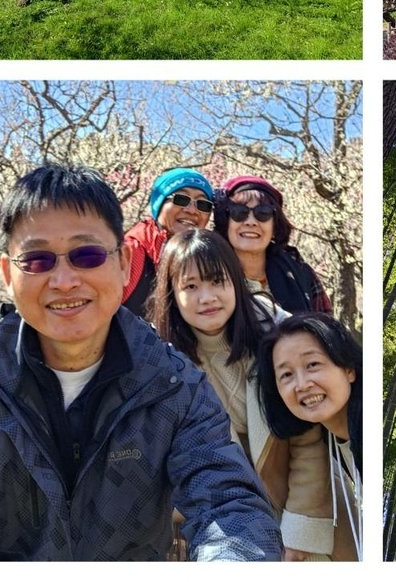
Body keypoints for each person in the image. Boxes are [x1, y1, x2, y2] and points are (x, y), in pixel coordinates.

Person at [0, 162, 281, 561]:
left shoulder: (174, 386)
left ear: (123, 263)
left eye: (86, 255)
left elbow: (228, 506)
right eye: (37, 260)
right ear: (7, 274)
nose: (64, 281)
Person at [151, 227, 348, 561]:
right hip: (219, 524)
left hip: (297, 503)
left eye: (217, 281)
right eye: (191, 286)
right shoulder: (160, 366)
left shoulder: (277, 341)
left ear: (236, 282)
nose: (207, 297)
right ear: (171, 293)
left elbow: (306, 439)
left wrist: (299, 533)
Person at [257, 312, 363, 561]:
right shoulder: (334, 441)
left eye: (312, 365)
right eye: (286, 375)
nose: (302, 384)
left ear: (348, 368)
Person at [214, 175, 332, 314]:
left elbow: (326, 329)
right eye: (239, 212)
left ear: (275, 225)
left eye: (263, 213)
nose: (250, 222)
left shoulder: (300, 272)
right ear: (225, 222)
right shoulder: (207, 271)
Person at [121, 167, 214, 316]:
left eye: (203, 204)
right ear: (159, 204)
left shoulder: (206, 258)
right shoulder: (131, 253)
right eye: (181, 199)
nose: (191, 210)